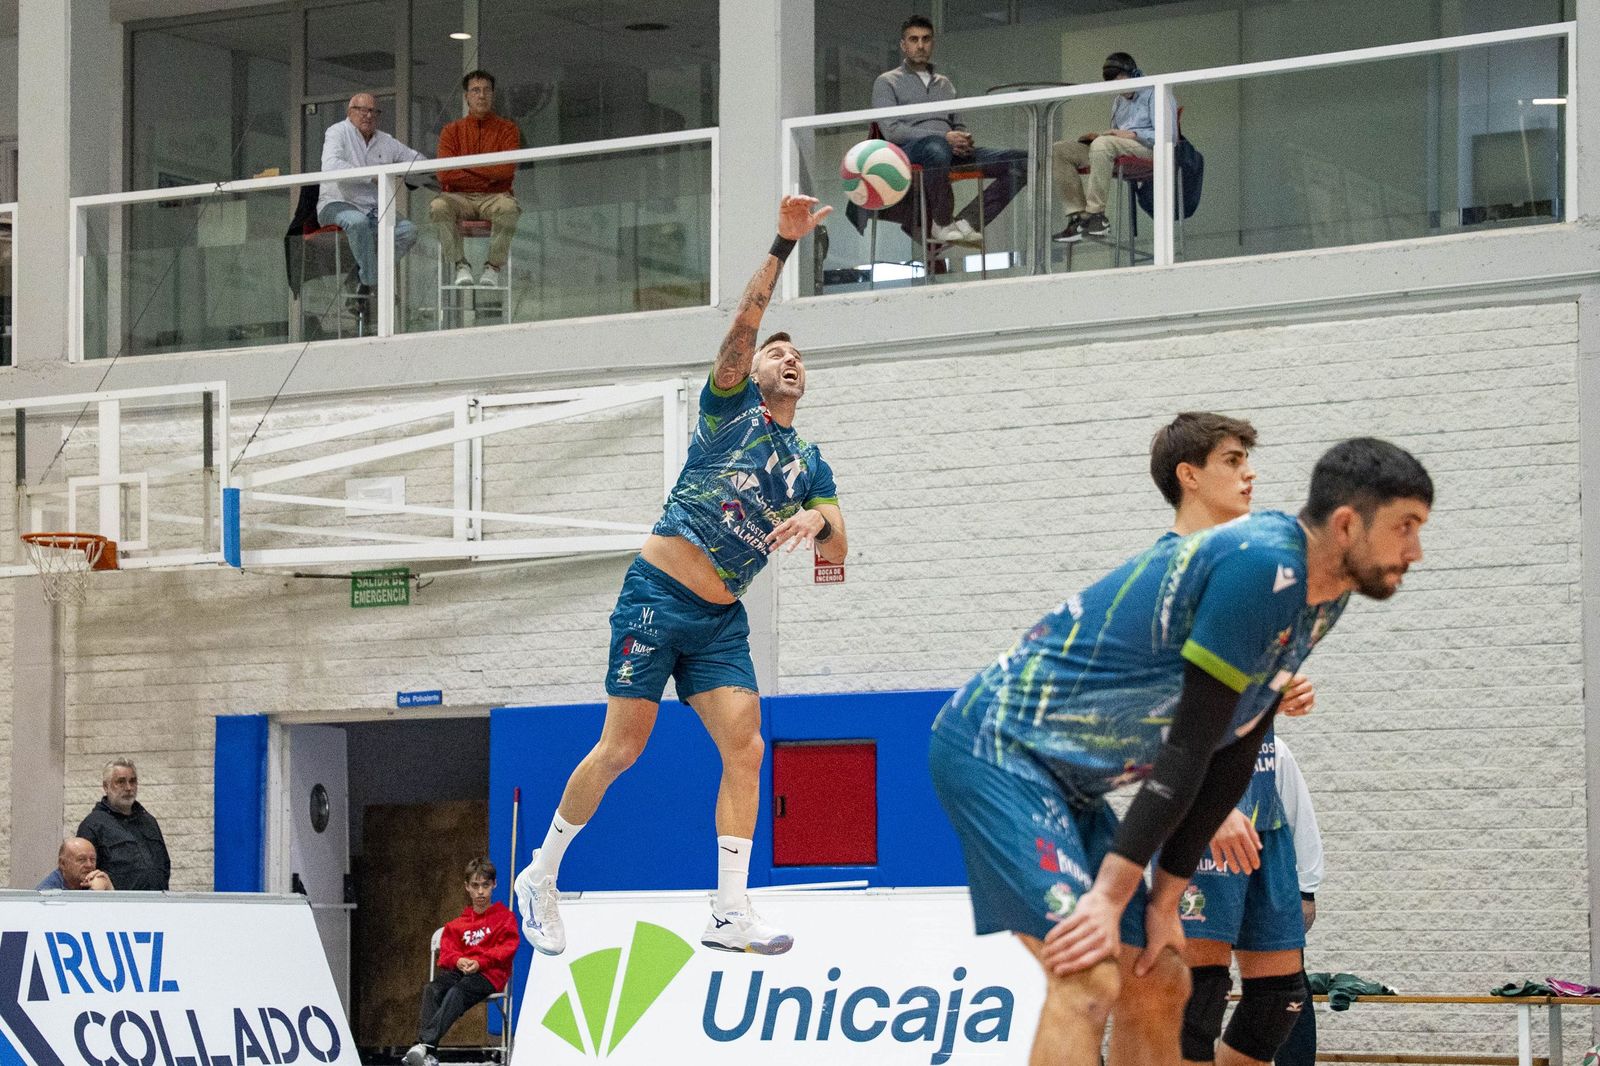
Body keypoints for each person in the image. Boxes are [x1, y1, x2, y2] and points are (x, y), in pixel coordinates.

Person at [929, 435, 1433, 1065]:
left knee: (1160, 978)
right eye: (1405, 526)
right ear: (1347, 523)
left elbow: (1235, 746)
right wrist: (1115, 897)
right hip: (994, 750)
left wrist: (1165, 900)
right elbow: (1189, 746)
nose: (1415, 551)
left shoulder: (1323, 597)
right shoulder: (1260, 565)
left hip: (1069, 782)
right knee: (1088, 974)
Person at [514, 195, 844, 959]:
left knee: (748, 746)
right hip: (657, 599)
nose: (787, 358)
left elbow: (839, 548)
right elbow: (742, 330)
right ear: (751, 369)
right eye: (776, 352)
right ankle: (543, 874)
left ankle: (730, 911)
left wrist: (817, 521)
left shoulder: (810, 463)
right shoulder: (728, 410)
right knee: (623, 750)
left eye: (798, 356)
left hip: (720, 623)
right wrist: (783, 244)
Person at [1142, 412, 1326, 1066]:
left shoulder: (1246, 566)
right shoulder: (1168, 571)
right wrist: (1207, 811)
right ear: (1189, 476)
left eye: (1249, 458)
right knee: (1198, 998)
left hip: (1264, 803)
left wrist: (1280, 692)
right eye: (1231, 459)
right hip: (1207, 808)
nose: (1249, 472)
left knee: (1279, 1000)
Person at [871, 15, 1028, 248]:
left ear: (932, 43)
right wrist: (944, 138)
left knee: (1022, 160)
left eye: (926, 39)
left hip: (948, 151)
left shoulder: (945, 83)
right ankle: (942, 222)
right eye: (914, 40)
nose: (920, 45)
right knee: (937, 147)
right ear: (903, 45)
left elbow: (957, 124)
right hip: (911, 151)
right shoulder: (887, 81)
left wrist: (962, 138)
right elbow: (892, 131)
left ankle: (967, 222)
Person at [1050, 51, 1177, 243]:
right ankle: (1079, 217)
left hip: (1150, 149)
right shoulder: (1119, 101)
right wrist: (1100, 136)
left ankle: (1096, 216)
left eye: (1122, 81)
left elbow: (1169, 136)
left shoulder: (1156, 91)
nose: (1121, 89)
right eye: (1115, 85)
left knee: (1103, 145)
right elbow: (1115, 136)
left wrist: (1133, 134)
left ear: (1134, 74)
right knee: (1059, 150)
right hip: (1117, 147)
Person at [404, 858, 519, 1066]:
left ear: (494, 884)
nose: (481, 892)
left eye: (485, 885)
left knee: (457, 992)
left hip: (489, 974)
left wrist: (479, 962)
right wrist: (459, 960)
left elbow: (507, 949)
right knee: (432, 989)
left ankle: (424, 1046)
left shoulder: (504, 918)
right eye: (475, 886)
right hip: (462, 971)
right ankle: (428, 1053)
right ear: (467, 887)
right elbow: (447, 953)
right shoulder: (457, 924)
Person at [317, 92, 428, 298]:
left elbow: (417, 159)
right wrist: (372, 177)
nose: (368, 115)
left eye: (373, 111)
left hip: (374, 209)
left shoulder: (385, 140)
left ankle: (362, 276)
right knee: (357, 223)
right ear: (350, 112)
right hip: (337, 203)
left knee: (408, 231)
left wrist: (408, 172)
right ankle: (372, 283)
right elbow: (330, 166)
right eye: (362, 110)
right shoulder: (337, 132)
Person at [429, 70, 522, 288]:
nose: (481, 95)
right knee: (438, 206)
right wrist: (488, 170)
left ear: (493, 95)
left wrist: (465, 165)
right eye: (475, 90)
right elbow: (444, 174)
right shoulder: (451, 131)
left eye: (487, 90)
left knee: (509, 208)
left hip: (495, 196)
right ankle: (460, 264)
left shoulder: (508, 129)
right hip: (458, 196)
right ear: (466, 96)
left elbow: (506, 171)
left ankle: (493, 267)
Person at [76, 758, 170, 891]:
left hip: (157, 904)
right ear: (106, 786)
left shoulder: (149, 821)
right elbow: (85, 875)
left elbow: (164, 864)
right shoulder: (93, 825)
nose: (128, 788)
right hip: (118, 907)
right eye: (120, 782)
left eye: (133, 781)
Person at [36, 836, 114, 891]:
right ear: (63, 864)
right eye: (82, 860)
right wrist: (95, 894)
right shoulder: (48, 892)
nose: (89, 865)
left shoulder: (93, 881)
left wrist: (109, 888)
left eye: (92, 859)